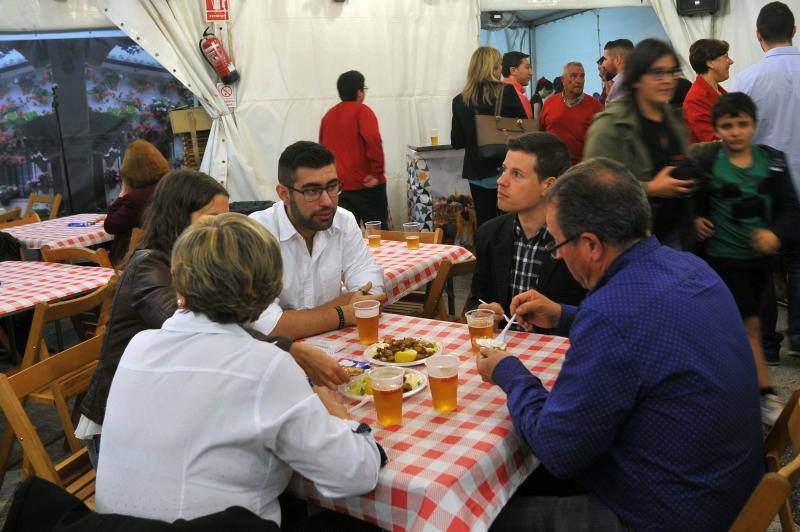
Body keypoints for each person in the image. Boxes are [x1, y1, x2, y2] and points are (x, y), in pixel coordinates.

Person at [479, 157, 763, 531]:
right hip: (733, 489)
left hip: (664, 514)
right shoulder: (690, 268)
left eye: (559, 244)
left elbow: (558, 451)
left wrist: (508, 372)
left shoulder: (610, 315)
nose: (559, 256)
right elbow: (647, 329)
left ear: (592, 245)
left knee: (480, 516)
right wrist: (563, 315)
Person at [95, 213, 384, 525]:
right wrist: (339, 415)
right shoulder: (266, 365)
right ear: (269, 287)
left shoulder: (139, 346)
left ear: (179, 281)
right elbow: (354, 475)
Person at [78, 170, 349, 464]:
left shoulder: (203, 265)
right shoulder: (149, 267)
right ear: (178, 216)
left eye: (226, 217)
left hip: (175, 410)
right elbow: (199, 332)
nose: (224, 229)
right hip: (121, 430)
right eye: (211, 219)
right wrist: (292, 349)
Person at [691, 93, 800, 420]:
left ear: (754, 125)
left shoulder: (772, 163)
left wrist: (776, 234)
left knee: (748, 329)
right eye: (727, 125)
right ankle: (755, 395)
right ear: (716, 129)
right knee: (737, 329)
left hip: (756, 265)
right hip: (717, 264)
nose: (735, 131)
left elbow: (790, 210)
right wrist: (695, 220)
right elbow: (690, 204)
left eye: (742, 124)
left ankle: (757, 395)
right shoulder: (708, 164)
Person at [250, 141, 387, 338]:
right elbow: (269, 326)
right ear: (284, 194)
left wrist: (301, 320)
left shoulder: (343, 220)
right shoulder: (256, 233)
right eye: (311, 191)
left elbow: (370, 287)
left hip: (333, 343)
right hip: (277, 353)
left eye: (332, 187)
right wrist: (342, 312)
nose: (327, 201)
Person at [732, 1, 800, 363]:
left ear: (758, 36)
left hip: (761, 188)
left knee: (761, 266)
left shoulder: (745, 80)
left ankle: (768, 347)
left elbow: (734, 139)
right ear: (794, 29)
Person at [466, 133, 585, 332]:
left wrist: (558, 313)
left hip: (560, 352)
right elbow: (475, 300)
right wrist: (482, 312)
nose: (501, 181)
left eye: (517, 174)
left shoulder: (578, 239)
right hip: (504, 348)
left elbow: (600, 316)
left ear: (548, 185)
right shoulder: (490, 233)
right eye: (503, 170)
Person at [584, 39, 695, 250]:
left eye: (672, 72)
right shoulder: (610, 125)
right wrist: (651, 188)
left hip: (675, 232)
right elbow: (594, 188)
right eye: (657, 73)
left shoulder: (672, 119)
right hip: (630, 241)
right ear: (636, 79)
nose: (667, 80)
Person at [451, 46, 527, 228]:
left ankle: (485, 256)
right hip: (507, 168)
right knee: (510, 224)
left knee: (485, 225)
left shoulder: (460, 100)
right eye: (499, 65)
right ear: (493, 68)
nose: (501, 69)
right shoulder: (507, 93)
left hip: (477, 173)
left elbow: (457, 142)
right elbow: (524, 130)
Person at [318, 70, 388, 228]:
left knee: (345, 234)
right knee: (378, 234)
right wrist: (376, 172)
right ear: (359, 92)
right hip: (366, 185)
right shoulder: (363, 111)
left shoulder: (328, 116)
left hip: (339, 188)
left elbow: (322, 152)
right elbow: (373, 140)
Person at [98, 140, 168, 266]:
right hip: (163, 253)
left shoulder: (135, 197)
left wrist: (122, 195)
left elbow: (110, 226)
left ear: (130, 168)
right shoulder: (165, 186)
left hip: (131, 262)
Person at [539, 62, 604, 166]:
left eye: (582, 76)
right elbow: (540, 134)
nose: (578, 80)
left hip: (582, 170)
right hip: (551, 168)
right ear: (563, 80)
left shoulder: (596, 107)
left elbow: (602, 143)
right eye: (573, 76)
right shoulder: (549, 103)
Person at [683, 39, 734, 144]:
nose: (731, 61)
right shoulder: (695, 100)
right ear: (710, 63)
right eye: (725, 57)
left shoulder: (719, 92)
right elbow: (714, 141)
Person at [502, 51, 534, 119]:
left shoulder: (494, 92)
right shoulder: (519, 97)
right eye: (527, 67)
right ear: (513, 70)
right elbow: (527, 127)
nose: (531, 73)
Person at [602, 38, 634, 104]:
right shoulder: (638, 79)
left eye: (605, 59)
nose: (603, 64)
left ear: (617, 60)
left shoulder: (620, 86)